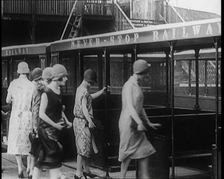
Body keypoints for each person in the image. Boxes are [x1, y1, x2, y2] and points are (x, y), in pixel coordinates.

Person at [118, 59, 161, 179]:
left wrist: (148, 123)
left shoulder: (137, 85)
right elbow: (130, 107)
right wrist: (139, 122)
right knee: (126, 156)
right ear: (143, 72)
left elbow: (140, 107)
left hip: (137, 125)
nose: (148, 75)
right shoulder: (129, 85)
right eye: (147, 73)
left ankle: (145, 176)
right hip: (128, 125)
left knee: (145, 152)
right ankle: (122, 177)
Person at [33, 64, 71, 179]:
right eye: (64, 77)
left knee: (42, 157)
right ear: (58, 77)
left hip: (53, 130)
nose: (66, 79)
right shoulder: (46, 92)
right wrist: (55, 125)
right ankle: (57, 175)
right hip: (45, 131)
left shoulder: (59, 91)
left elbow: (59, 109)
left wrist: (67, 121)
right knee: (54, 153)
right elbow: (41, 114)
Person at [73, 69, 106, 179]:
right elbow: (84, 109)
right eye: (92, 83)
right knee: (82, 149)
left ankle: (86, 170)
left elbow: (90, 98)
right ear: (88, 82)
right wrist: (90, 121)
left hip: (78, 121)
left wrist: (101, 91)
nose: (91, 86)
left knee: (85, 147)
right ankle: (78, 173)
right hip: (83, 122)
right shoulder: (84, 92)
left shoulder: (79, 89)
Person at [6, 61, 35, 178]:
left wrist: (15, 100)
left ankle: (19, 168)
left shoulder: (13, 84)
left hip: (16, 115)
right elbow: (34, 103)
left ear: (18, 72)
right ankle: (28, 167)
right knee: (28, 141)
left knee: (17, 142)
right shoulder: (32, 85)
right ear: (27, 72)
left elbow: (8, 100)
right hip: (28, 115)